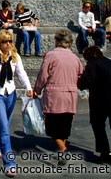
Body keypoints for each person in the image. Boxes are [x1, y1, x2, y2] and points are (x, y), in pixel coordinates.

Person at [0, 29, 33, 177]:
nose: (8, 44)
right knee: (4, 129)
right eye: (5, 41)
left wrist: (28, 87)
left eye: (10, 41)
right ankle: (10, 163)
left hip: (10, 93)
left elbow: (21, 73)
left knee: (5, 124)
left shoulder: (14, 56)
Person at [33, 29, 83, 158]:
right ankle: (62, 152)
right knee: (64, 128)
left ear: (57, 41)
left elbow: (43, 76)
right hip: (70, 95)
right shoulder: (75, 58)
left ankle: (63, 150)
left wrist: (37, 90)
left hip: (54, 95)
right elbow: (80, 75)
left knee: (52, 128)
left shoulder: (50, 55)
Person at [78, 46, 111, 162]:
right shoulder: (108, 62)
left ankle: (105, 152)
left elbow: (87, 82)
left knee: (98, 125)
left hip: (100, 100)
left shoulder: (92, 65)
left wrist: (80, 81)